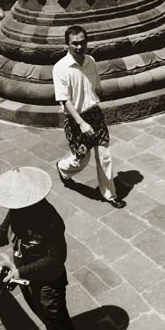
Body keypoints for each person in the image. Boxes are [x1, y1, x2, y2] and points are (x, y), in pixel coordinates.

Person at [0, 167, 77, 330]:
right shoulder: (17, 211)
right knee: (43, 314)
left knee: (57, 320)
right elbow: (2, 234)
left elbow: (56, 259)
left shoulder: (52, 220)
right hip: (27, 278)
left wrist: (20, 272)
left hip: (48, 284)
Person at [53, 25, 126, 209]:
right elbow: (65, 101)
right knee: (81, 161)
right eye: (74, 43)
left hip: (94, 114)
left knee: (105, 156)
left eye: (82, 43)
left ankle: (110, 194)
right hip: (76, 119)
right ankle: (62, 168)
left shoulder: (91, 61)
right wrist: (82, 123)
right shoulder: (60, 68)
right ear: (67, 44)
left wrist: (96, 98)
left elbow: (96, 85)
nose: (79, 47)